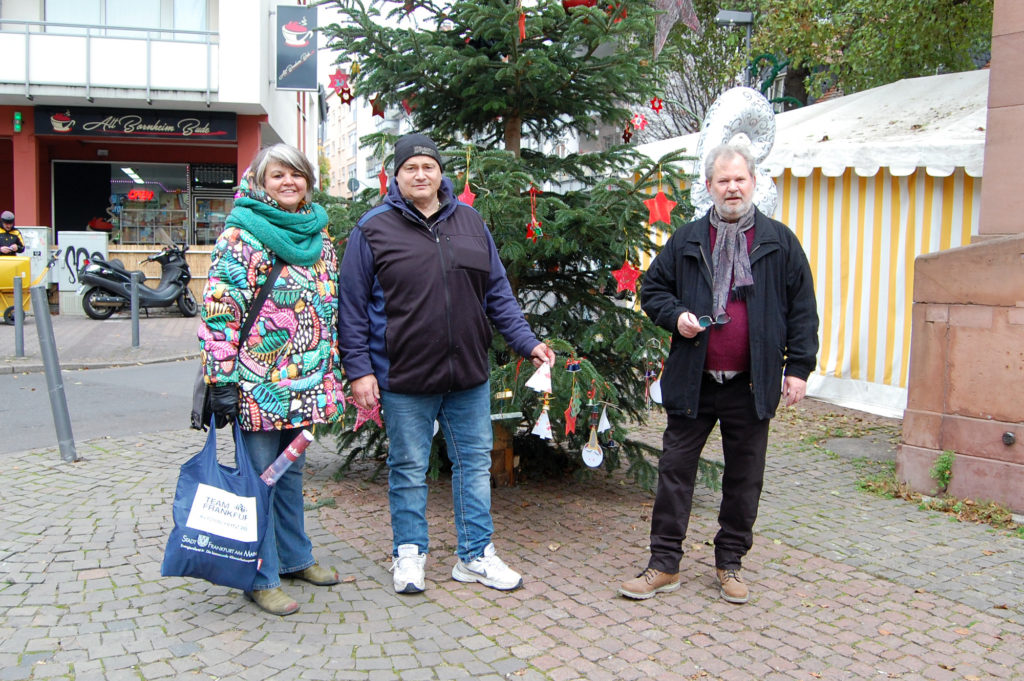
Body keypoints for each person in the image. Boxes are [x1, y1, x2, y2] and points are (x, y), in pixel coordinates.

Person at [338, 133, 555, 595]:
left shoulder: (471, 223)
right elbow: (352, 308)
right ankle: (409, 554)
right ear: (396, 176)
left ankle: (475, 555)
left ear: (441, 173)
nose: (421, 174)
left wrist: (527, 344)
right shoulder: (372, 229)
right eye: (410, 167)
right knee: (409, 467)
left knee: (474, 465)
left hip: (468, 377)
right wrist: (359, 371)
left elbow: (497, 294)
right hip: (403, 377)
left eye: (428, 167)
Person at [619, 142, 818, 604]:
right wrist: (677, 315)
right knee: (674, 471)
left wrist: (799, 368)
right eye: (723, 180)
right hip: (695, 379)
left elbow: (802, 309)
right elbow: (653, 290)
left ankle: (730, 563)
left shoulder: (779, 241)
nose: (732, 187)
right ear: (709, 186)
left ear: (753, 183)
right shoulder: (688, 239)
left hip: (752, 383)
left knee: (744, 478)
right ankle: (664, 564)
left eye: (739, 179)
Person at [197, 143, 346, 616]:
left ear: (308, 183)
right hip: (256, 385)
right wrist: (220, 378)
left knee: (291, 474)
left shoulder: (320, 239)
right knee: (259, 480)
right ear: (260, 182)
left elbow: (329, 309)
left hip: (306, 383)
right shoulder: (241, 236)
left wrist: (333, 374)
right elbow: (220, 312)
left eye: (297, 175)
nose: (289, 182)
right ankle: (258, 575)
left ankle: (295, 557)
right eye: (278, 175)